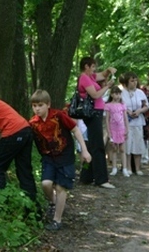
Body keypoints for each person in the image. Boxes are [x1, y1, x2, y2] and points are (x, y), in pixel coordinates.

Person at [29, 89, 91, 231]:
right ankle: (54, 203)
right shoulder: (33, 123)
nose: (37, 109)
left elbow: (75, 130)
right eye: (34, 106)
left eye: (40, 105)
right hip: (48, 157)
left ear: (48, 104)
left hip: (65, 155)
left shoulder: (58, 116)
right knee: (46, 184)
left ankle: (57, 220)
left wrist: (85, 150)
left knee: (60, 187)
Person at [77, 56, 116, 189]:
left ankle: (86, 176)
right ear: (86, 66)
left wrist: (109, 70)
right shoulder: (84, 78)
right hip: (92, 114)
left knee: (92, 146)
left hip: (96, 112)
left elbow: (102, 74)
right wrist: (108, 87)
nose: (94, 70)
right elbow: (95, 95)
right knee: (98, 146)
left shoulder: (91, 77)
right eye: (93, 67)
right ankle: (101, 179)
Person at [121, 71, 149, 176]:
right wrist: (128, 112)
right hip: (126, 122)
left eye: (135, 80)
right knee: (128, 144)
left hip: (138, 121)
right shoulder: (122, 93)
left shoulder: (140, 92)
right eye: (132, 81)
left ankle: (137, 168)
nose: (134, 82)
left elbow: (146, 105)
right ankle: (128, 167)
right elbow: (120, 104)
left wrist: (139, 111)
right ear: (127, 82)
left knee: (138, 144)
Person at [104, 86, 130, 177]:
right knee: (114, 149)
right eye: (115, 94)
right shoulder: (108, 105)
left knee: (122, 149)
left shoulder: (123, 105)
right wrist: (108, 131)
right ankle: (114, 168)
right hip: (113, 129)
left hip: (121, 129)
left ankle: (125, 169)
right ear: (111, 94)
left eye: (119, 94)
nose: (117, 96)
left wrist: (127, 129)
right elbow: (107, 119)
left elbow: (125, 118)